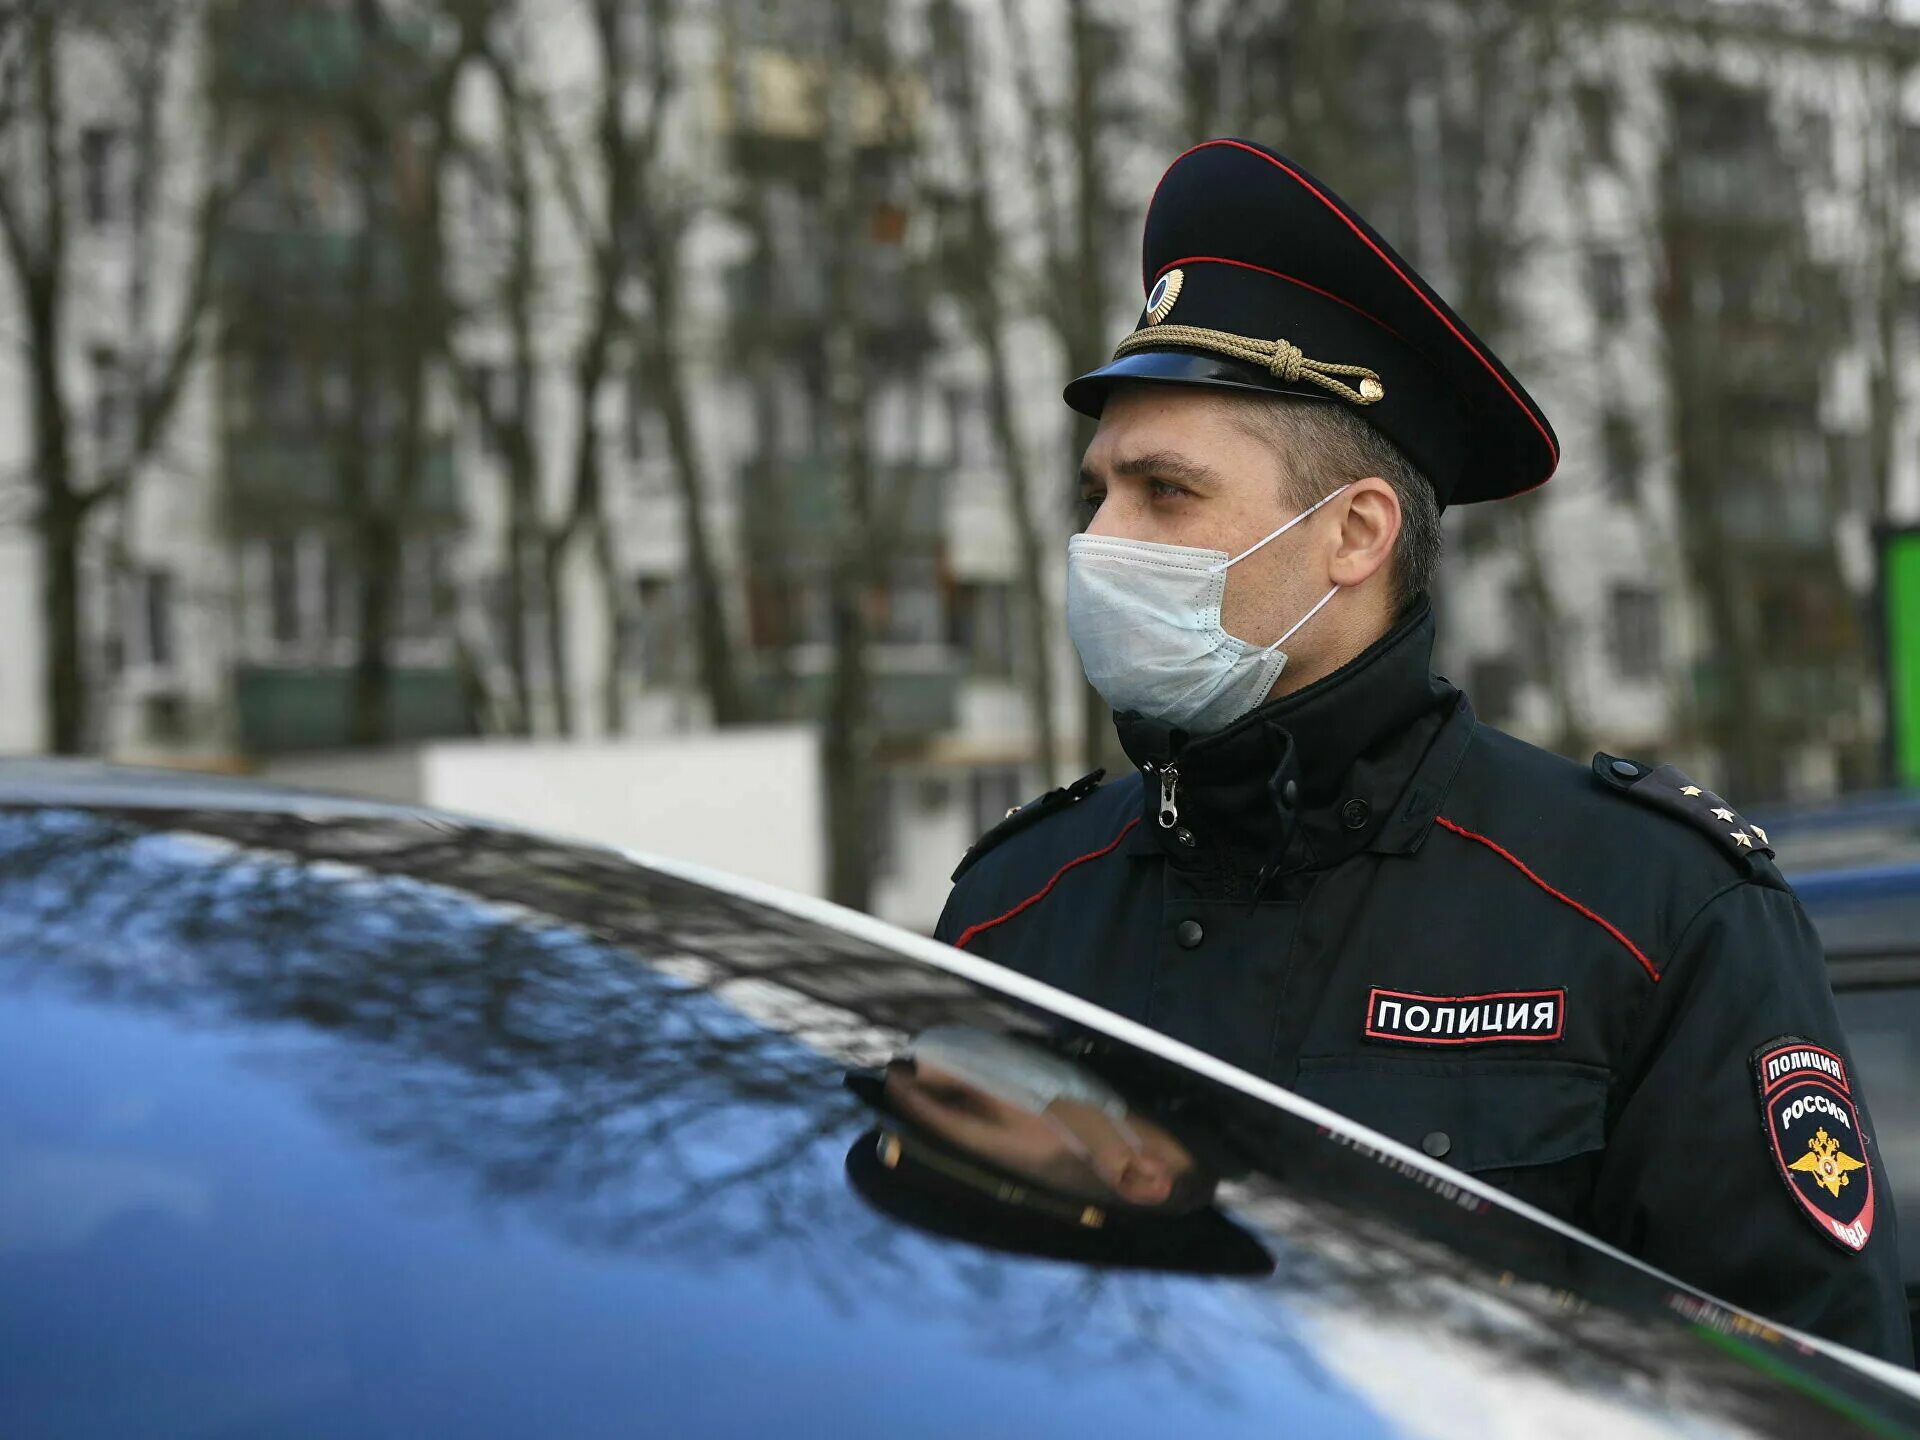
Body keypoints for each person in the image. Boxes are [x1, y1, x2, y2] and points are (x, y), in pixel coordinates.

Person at [934, 138, 1910, 1362]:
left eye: (1164, 493)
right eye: (1099, 494)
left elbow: (1807, 1382)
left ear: (1353, 534)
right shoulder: (1011, 909)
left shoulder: (1647, 911)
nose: (1103, 539)